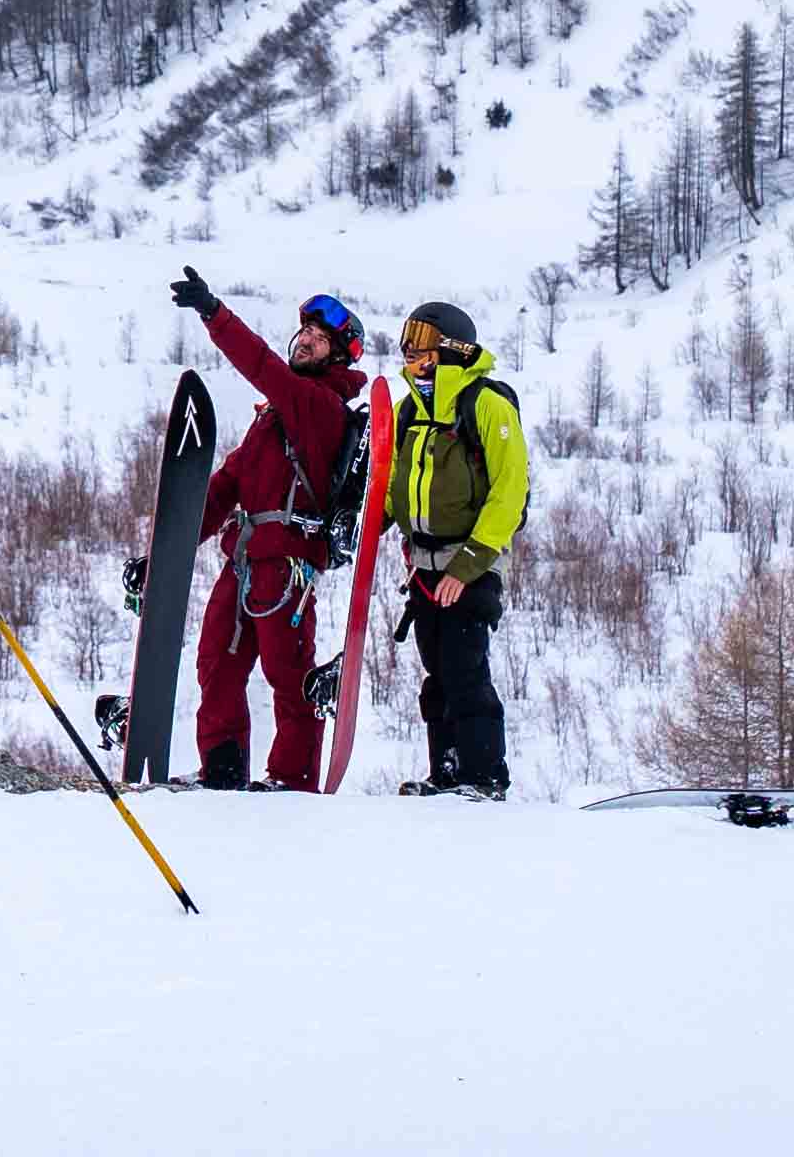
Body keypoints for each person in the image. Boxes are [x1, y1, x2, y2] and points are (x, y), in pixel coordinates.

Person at [163, 272, 367, 789]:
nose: (306, 341)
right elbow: (228, 483)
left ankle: (290, 781)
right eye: (303, 334)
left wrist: (215, 314)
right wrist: (172, 548)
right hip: (244, 562)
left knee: (289, 679)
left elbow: (262, 366)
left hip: (286, 569)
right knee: (217, 668)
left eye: (320, 339)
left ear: (338, 358)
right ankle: (223, 770)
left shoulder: (319, 409)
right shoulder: (273, 418)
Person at [383, 302, 527, 796]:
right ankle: (446, 771)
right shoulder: (410, 412)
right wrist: (374, 522)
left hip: (468, 566)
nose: (410, 362)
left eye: (421, 353)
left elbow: (509, 493)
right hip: (422, 568)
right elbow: (396, 482)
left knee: (466, 672)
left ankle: (484, 775)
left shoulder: (486, 405)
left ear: (449, 352)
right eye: (407, 353)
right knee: (437, 676)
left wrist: (467, 567)